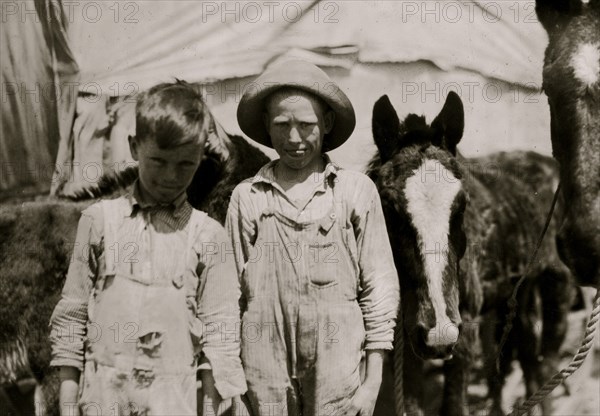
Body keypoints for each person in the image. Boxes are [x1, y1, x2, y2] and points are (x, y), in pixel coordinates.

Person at [49, 80, 247, 416]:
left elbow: (221, 336)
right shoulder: (99, 222)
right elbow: (72, 318)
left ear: (201, 157)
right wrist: (68, 407)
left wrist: (211, 408)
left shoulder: (208, 236)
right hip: (104, 400)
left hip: (173, 402)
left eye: (185, 164)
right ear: (133, 147)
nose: (171, 176)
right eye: (158, 160)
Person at [226, 60, 400, 416]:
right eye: (281, 125)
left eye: (306, 125)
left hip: (337, 375)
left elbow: (380, 289)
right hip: (264, 371)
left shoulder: (355, 191)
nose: (293, 139)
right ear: (265, 126)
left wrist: (372, 384)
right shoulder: (249, 197)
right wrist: (231, 386)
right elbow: (228, 296)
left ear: (327, 123)